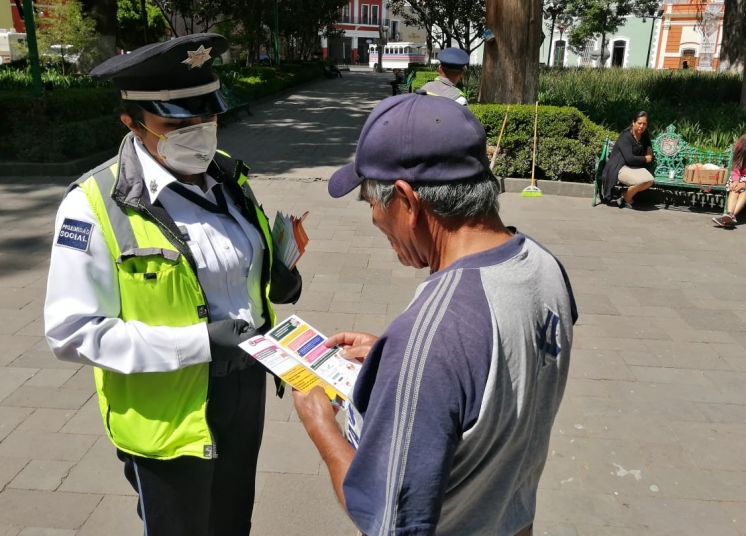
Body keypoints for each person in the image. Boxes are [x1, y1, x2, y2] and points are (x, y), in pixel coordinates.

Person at [43, 33, 303, 536]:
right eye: (177, 122)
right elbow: (72, 332)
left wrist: (278, 276)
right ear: (132, 123)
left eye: (207, 117)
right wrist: (199, 343)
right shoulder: (93, 205)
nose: (199, 132)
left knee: (232, 521)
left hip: (243, 389)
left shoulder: (228, 177)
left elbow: (234, 262)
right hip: (168, 408)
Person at [292, 93, 577, 536]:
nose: (374, 220)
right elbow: (497, 371)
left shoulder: (433, 336)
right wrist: (396, 363)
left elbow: (391, 522)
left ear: (406, 201)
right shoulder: (543, 266)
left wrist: (321, 427)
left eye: (371, 203)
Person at [602, 111, 655, 208]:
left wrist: (649, 154)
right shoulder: (626, 136)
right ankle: (628, 198)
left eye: (644, 124)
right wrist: (645, 159)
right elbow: (629, 158)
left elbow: (648, 146)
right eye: (639, 123)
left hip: (635, 166)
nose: (641, 126)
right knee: (639, 182)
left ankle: (624, 195)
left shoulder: (644, 136)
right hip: (619, 166)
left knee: (650, 181)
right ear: (633, 122)